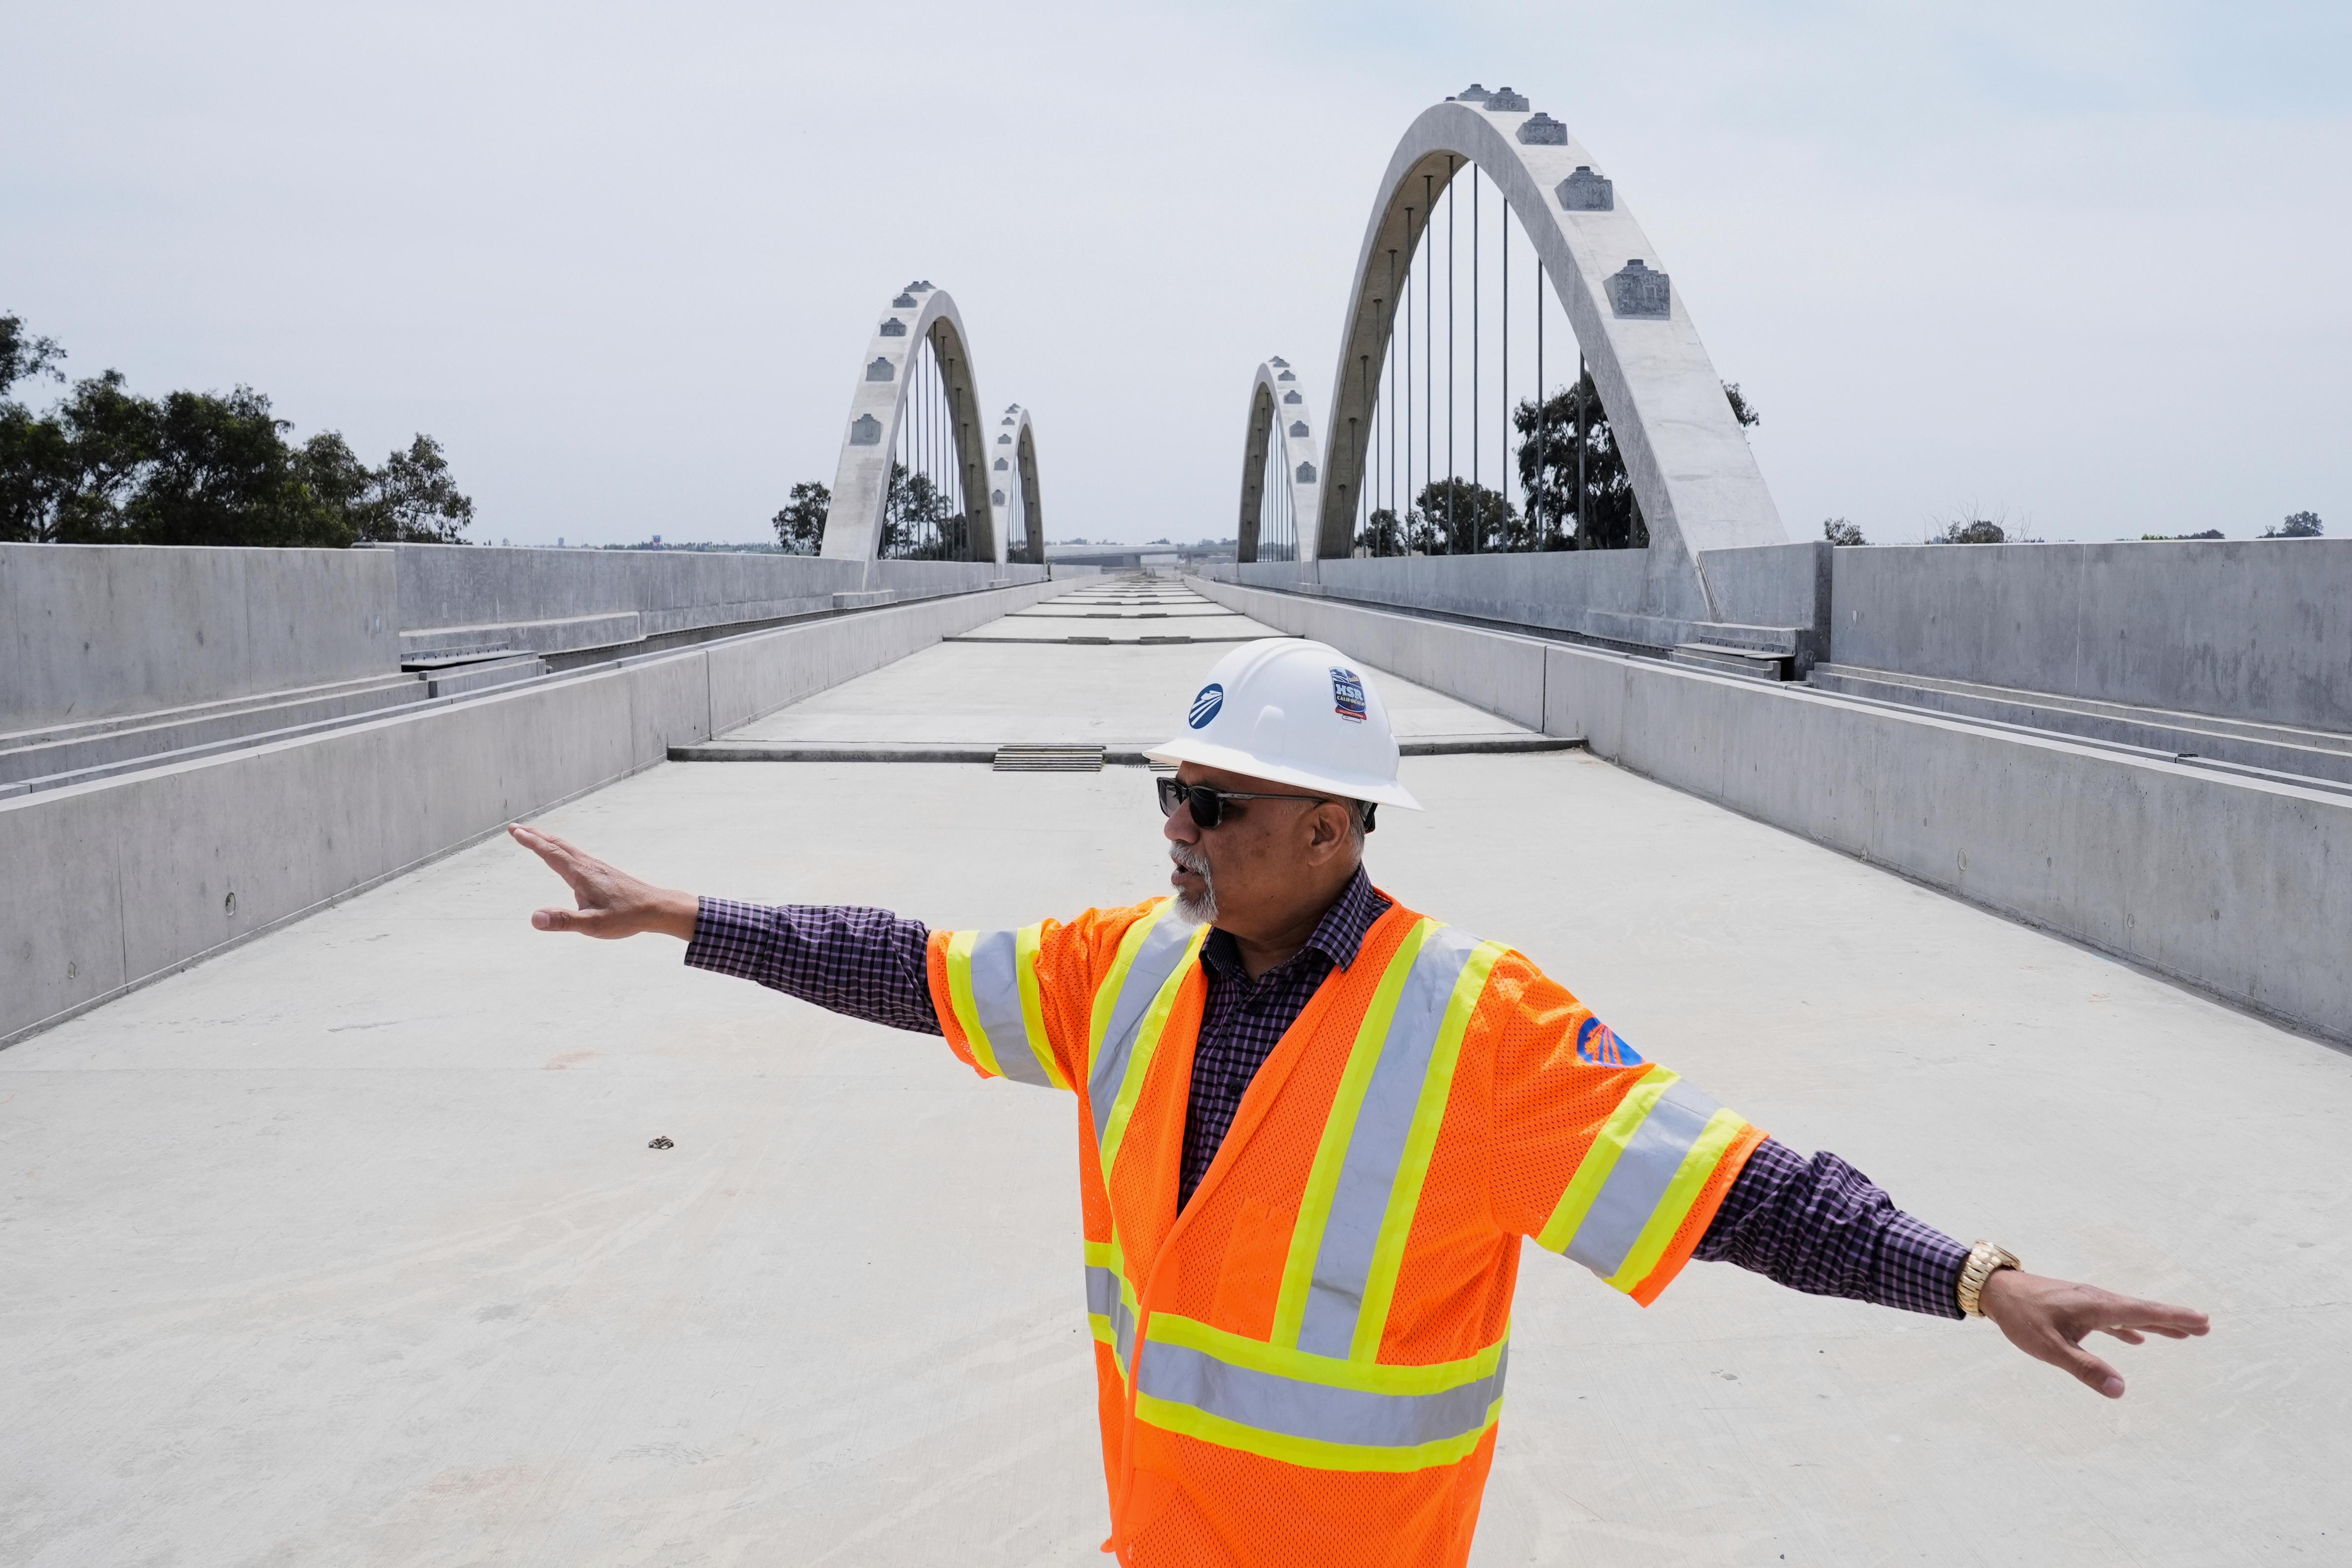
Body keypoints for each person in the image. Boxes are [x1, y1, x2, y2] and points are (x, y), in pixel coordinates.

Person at [510, 637, 2208, 1568]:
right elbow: (909, 967)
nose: (1173, 825)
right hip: (1156, 1541)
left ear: (1332, 828)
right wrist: (681, 915)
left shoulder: (1477, 1028)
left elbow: (1738, 1189)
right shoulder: (1126, 967)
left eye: (1214, 802)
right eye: (1171, 792)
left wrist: (1972, 1274)